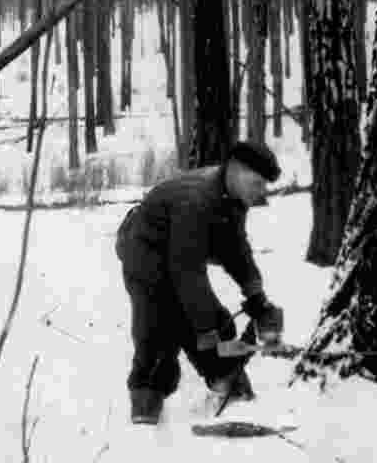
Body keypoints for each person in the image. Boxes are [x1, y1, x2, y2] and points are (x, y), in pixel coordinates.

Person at [115, 140, 285, 424]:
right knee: (157, 340)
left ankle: (231, 392)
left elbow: (236, 250)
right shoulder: (196, 200)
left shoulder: (232, 198)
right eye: (257, 183)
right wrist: (205, 332)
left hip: (178, 258)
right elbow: (187, 273)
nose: (261, 192)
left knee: (217, 326)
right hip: (144, 255)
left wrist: (256, 296)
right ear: (236, 171)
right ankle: (144, 422)